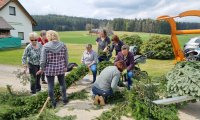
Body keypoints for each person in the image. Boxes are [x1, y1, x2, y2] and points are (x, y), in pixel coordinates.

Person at [36, 30, 68, 108]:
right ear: (56, 36)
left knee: (50, 86)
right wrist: (66, 66)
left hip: (50, 69)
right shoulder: (63, 45)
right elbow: (66, 57)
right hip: (60, 67)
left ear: (48, 36)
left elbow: (43, 60)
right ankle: (64, 99)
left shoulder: (45, 46)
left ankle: (53, 103)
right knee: (62, 84)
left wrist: (42, 68)